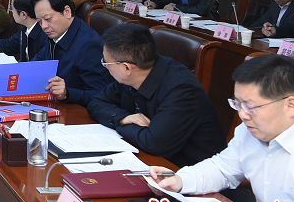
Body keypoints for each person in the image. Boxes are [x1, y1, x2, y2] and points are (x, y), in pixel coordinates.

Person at [149, 55, 294, 202]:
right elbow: (222, 169)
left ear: (290, 105)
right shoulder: (253, 130)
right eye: (238, 104)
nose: (242, 114)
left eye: (250, 106)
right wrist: (180, 180)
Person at [87, 24, 226, 168]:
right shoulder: (135, 75)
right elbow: (96, 102)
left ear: (126, 67)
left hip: (189, 171)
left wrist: (120, 124)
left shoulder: (182, 91)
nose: (105, 66)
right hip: (150, 160)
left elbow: (154, 143)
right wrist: (122, 118)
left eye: (106, 63)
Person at [31, 0, 112, 106]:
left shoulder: (89, 45)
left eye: (48, 19)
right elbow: (37, 62)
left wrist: (67, 93)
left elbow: (100, 94)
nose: (44, 26)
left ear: (67, 12)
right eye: (39, 21)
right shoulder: (56, 33)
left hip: (78, 110)